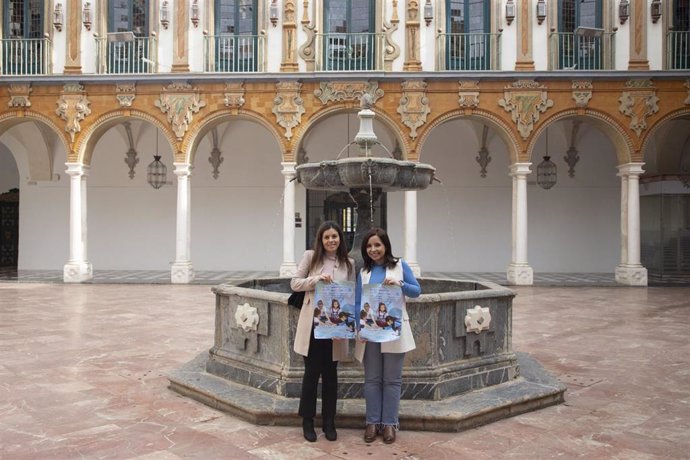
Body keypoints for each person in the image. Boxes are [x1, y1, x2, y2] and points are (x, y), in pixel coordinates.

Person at [354, 227, 421, 445]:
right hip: (371, 332)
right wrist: (359, 327)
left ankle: (390, 423)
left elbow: (416, 290)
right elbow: (357, 303)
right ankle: (372, 422)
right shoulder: (363, 273)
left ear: (385, 246)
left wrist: (400, 284)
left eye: (377, 245)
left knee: (392, 380)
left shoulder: (400, 266)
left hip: (394, 331)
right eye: (369, 246)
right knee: (372, 379)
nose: (374, 249)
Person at [291, 221, 354, 442]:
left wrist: (347, 326)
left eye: (334, 236)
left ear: (340, 238)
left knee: (331, 376)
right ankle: (307, 421)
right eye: (326, 237)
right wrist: (316, 279)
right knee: (310, 374)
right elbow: (294, 283)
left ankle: (329, 421)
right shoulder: (311, 257)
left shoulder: (349, 263)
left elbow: (350, 296)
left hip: (335, 327)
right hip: (312, 326)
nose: (331, 241)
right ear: (321, 239)